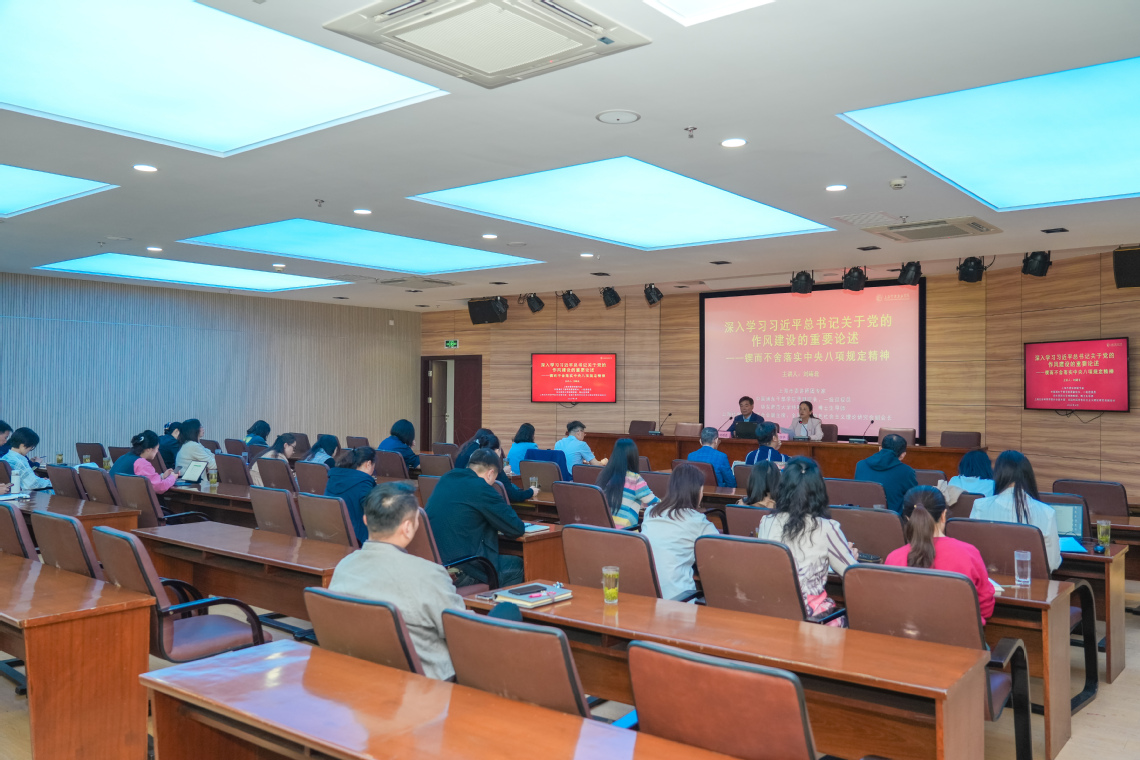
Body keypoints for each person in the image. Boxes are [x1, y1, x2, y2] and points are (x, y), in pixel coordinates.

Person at [327, 481, 465, 680]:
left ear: (365, 520)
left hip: (364, 676)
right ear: (408, 527)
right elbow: (462, 633)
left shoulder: (344, 566)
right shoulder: (428, 574)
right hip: (429, 685)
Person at [756, 457, 857, 620]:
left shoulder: (766, 522)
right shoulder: (827, 528)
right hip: (812, 620)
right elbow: (854, 576)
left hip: (772, 613)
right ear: (819, 490)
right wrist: (851, 557)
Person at [886, 486, 995, 623]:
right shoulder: (969, 553)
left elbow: (890, 607)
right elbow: (986, 609)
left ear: (908, 518)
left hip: (908, 635)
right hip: (959, 635)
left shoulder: (893, 559)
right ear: (944, 515)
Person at [426, 448, 525, 588]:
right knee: (518, 565)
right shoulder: (482, 488)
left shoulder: (447, 478)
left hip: (436, 564)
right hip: (462, 570)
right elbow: (516, 528)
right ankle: (493, 601)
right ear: (490, 473)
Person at [970, 451, 1062, 572]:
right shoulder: (1047, 512)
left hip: (991, 580)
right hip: (1032, 582)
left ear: (998, 474)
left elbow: (972, 554)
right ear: (1028, 475)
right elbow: (1053, 563)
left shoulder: (980, 506)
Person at [641, 464, 718, 599]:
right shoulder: (698, 521)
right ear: (696, 491)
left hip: (646, 596)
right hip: (679, 599)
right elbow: (720, 554)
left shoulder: (650, 512)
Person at [598, 438, 659, 528]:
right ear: (633, 457)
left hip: (603, 530)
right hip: (625, 532)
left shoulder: (605, 475)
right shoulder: (635, 479)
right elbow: (655, 503)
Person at [853, 434, 917, 514]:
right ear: (903, 455)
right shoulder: (907, 471)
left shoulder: (860, 465)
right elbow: (914, 498)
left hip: (861, 517)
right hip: (892, 520)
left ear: (880, 449)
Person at [325, 447, 377, 545]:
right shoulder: (363, 483)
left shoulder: (333, 478)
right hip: (358, 540)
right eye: (373, 468)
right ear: (368, 464)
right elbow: (375, 512)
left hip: (332, 535)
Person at [109, 430, 178, 494]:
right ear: (148, 449)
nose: (157, 451)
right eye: (157, 448)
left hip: (117, 499)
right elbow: (159, 487)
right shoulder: (141, 463)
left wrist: (162, 476)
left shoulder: (123, 457)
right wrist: (172, 477)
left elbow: (144, 479)